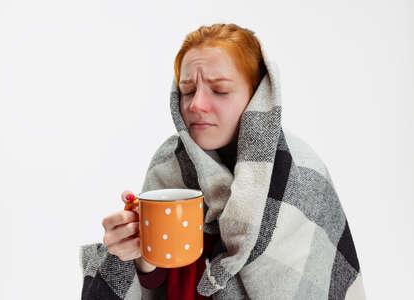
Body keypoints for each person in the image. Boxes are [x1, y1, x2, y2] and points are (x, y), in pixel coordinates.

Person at [79, 23, 366, 299]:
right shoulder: (169, 164)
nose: (196, 104)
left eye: (219, 90)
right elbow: (155, 284)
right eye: (188, 90)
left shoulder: (300, 174)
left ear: (258, 98)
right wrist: (138, 254)